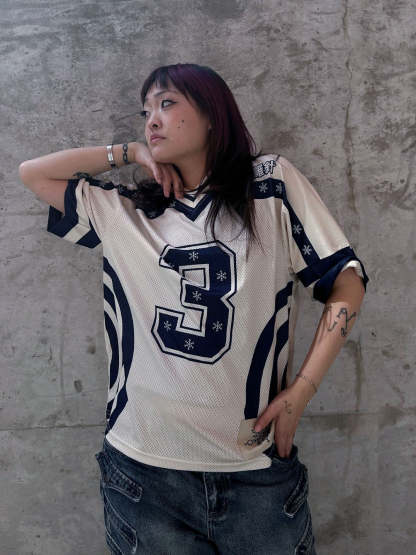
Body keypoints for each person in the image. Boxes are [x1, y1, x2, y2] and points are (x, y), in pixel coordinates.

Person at [19, 63, 369, 555]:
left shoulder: (269, 186)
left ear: (211, 114)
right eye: (146, 111)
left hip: (254, 470)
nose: (152, 120)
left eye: (167, 103)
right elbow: (32, 173)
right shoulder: (124, 213)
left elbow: (346, 284)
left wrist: (301, 391)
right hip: (143, 475)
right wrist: (130, 153)